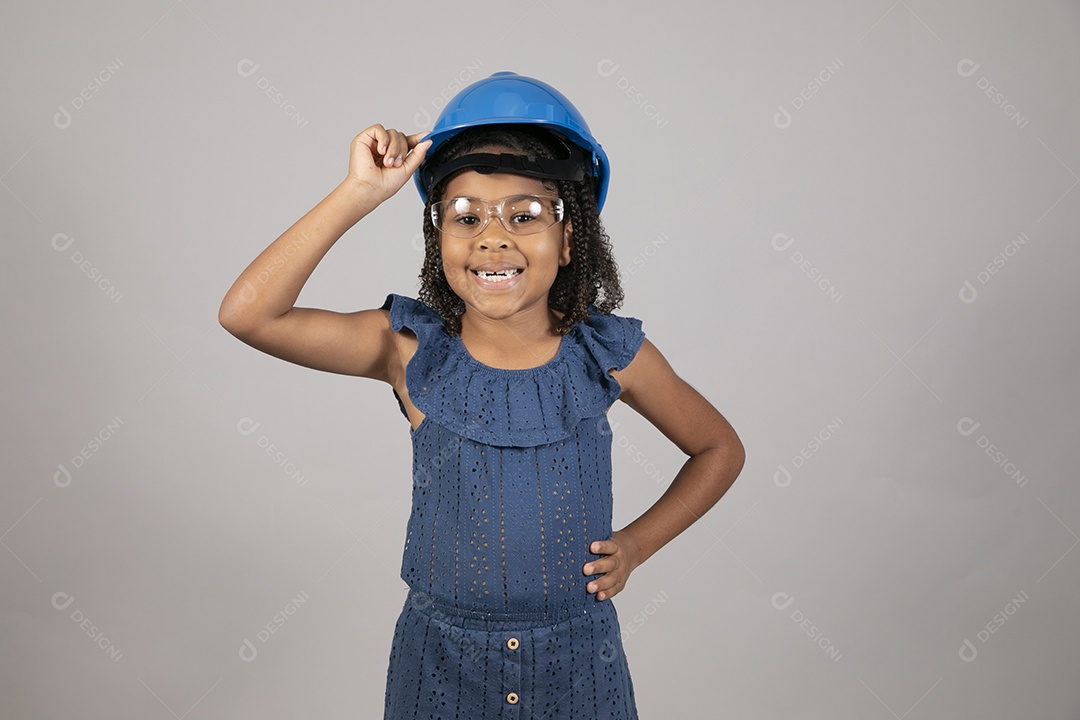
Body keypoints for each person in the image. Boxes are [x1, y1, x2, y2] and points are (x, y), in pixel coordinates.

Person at [219, 71, 745, 720]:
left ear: (571, 235)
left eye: (524, 215)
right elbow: (249, 315)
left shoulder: (606, 353)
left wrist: (636, 545)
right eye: (465, 216)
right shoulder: (409, 349)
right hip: (441, 667)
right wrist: (360, 192)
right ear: (436, 236)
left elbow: (718, 447)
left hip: (578, 665)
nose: (493, 236)